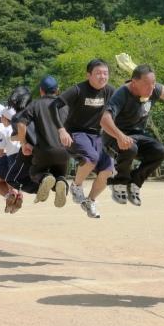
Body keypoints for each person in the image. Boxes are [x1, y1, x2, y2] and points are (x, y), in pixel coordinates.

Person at [100, 64, 164, 206]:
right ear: (134, 83)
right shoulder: (122, 94)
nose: (151, 88)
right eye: (147, 84)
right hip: (113, 138)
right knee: (130, 147)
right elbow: (105, 120)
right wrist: (120, 136)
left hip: (137, 136)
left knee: (160, 152)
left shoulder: (154, 89)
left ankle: (134, 182)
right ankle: (119, 182)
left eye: (153, 83)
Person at [50, 59, 115, 218]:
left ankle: (90, 201)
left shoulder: (109, 91)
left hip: (97, 135)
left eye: (105, 73)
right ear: (89, 75)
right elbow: (53, 106)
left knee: (109, 169)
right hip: (75, 133)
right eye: (98, 73)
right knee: (91, 158)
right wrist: (61, 130)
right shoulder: (78, 90)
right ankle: (76, 186)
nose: (102, 76)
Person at [16, 76, 70, 208]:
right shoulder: (66, 105)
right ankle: (61, 181)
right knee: (59, 176)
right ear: (57, 90)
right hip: (65, 151)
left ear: (41, 90)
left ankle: (44, 177)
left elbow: (21, 125)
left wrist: (24, 144)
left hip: (44, 150)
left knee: (35, 172)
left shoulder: (35, 104)